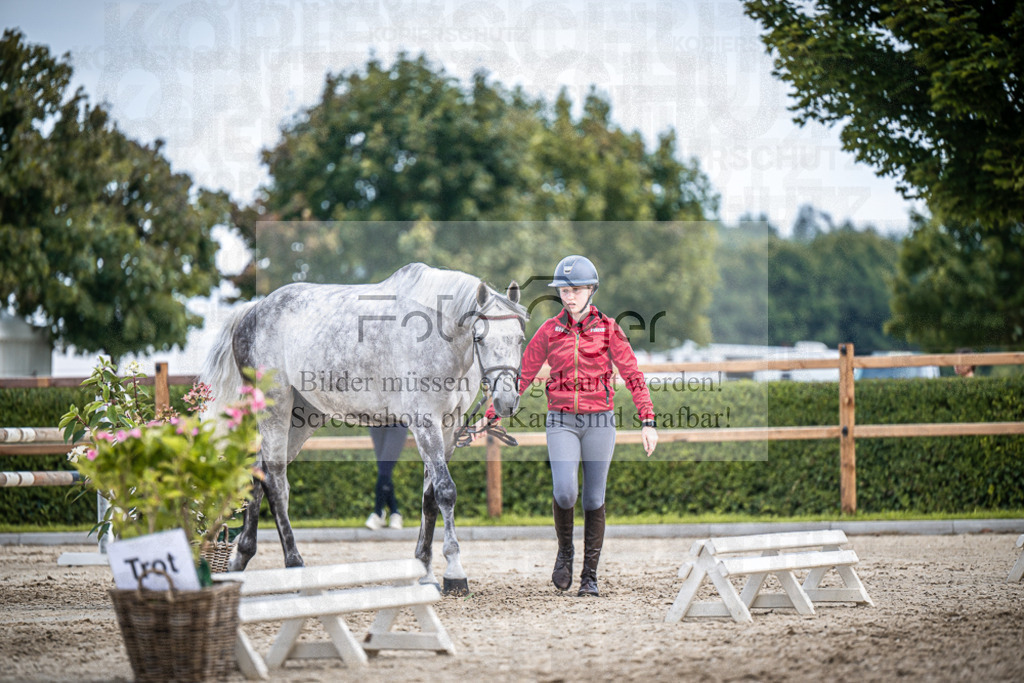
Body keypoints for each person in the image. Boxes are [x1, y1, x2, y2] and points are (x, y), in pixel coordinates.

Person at [486, 255, 658, 597]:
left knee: (594, 499)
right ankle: (565, 552)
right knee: (565, 491)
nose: (569, 296)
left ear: (591, 290)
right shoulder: (550, 330)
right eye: (564, 290)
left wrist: (647, 419)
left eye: (576, 289)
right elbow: (523, 375)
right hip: (561, 421)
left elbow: (632, 374)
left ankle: (589, 576)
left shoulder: (609, 329)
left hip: (600, 422)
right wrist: (492, 413)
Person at [365, 424, 406, 530]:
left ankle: (378, 513)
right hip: (376, 423)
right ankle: (395, 513)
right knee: (384, 471)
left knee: (384, 469)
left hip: (397, 422)